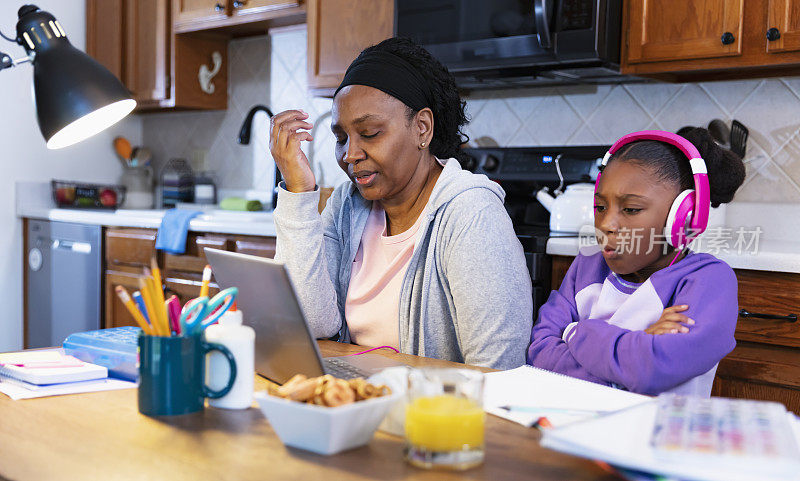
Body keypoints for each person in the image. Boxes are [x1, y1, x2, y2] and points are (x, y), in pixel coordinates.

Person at [269, 38, 532, 369]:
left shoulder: (470, 213)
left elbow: (497, 369)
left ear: (421, 127)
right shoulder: (346, 205)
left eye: (370, 133)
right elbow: (310, 321)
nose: (350, 154)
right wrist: (299, 191)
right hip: (356, 401)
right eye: (341, 138)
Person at [527, 127, 746, 395]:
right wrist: (637, 343)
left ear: (684, 216)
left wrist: (575, 332)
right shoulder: (586, 266)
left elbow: (653, 370)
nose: (606, 224)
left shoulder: (708, 281)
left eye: (631, 209)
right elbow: (539, 354)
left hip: (660, 435)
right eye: (600, 207)